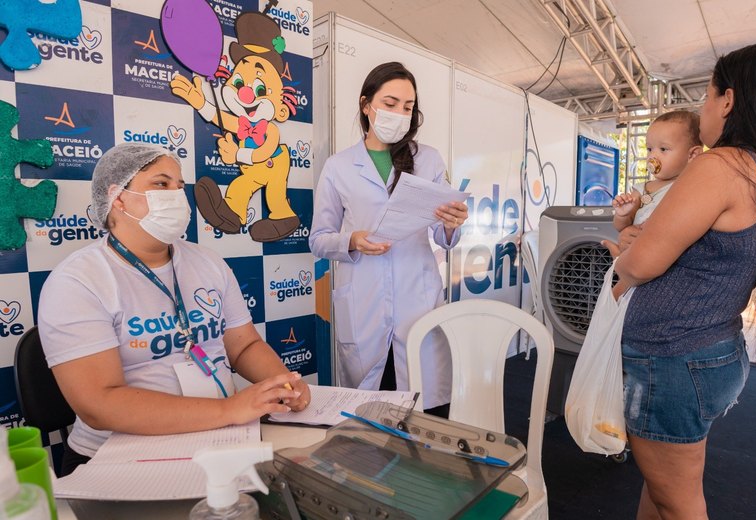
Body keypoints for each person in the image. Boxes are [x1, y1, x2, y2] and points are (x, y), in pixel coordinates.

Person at [607, 43, 756, 519]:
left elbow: (642, 264)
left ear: (729, 100)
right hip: (707, 350)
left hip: (672, 358)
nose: (702, 110)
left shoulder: (720, 165)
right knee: (662, 488)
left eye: (706, 96)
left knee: (678, 501)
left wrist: (623, 258)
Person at [38, 143, 311, 475]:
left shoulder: (207, 262)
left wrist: (283, 383)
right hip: (118, 457)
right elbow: (100, 403)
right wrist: (229, 409)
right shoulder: (79, 280)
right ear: (118, 197)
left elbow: (244, 345)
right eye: (161, 184)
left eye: (180, 186)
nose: (177, 195)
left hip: (222, 437)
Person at [309, 62, 468, 415]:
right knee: (372, 414)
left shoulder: (428, 160)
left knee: (424, 410)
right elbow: (318, 239)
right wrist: (352, 240)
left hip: (418, 300)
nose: (400, 114)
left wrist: (453, 223)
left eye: (408, 108)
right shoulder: (339, 166)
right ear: (367, 105)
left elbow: (443, 236)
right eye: (391, 103)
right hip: (365, 303)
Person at [612, 110, 702, 231]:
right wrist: (622, 215)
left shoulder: (693, 188)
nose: (652, 156)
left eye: (663, 149)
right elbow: (621, 228)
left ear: (692, 155)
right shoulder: (641, 190)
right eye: (649, 149)